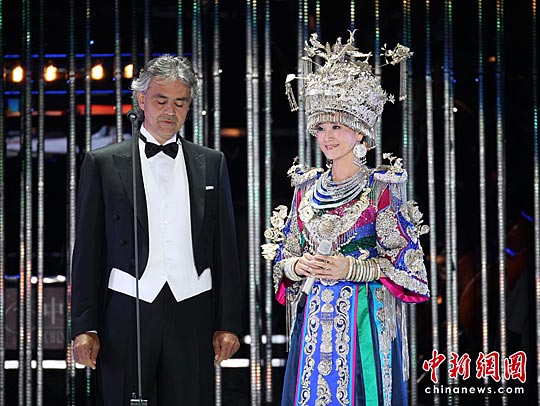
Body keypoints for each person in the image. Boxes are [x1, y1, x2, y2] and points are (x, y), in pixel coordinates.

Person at [262, 31, 430, 405]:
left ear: (360, 132)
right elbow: (283, 259)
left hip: (363, 320)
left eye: (337, 126)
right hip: (313, 322)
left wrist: (351, 268)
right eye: (321, 128)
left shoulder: (380, 188)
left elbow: (407, 263)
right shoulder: (306, 188)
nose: (327, 137)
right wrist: (298, 265)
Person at [71, 55, 242, 406]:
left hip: (192, 307)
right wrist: (85, 326)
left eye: (180, 103)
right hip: (127, 308)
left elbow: (225, 249)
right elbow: (87, 250)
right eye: (161, 100)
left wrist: (228, 323)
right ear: (141, 100)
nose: (170, 111)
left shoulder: (212, 163)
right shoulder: (103, 163)